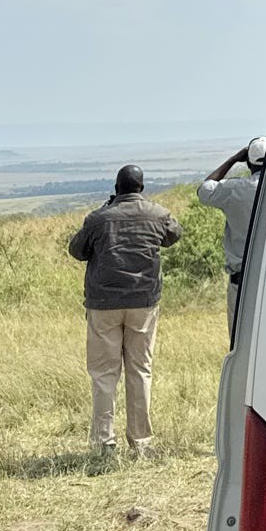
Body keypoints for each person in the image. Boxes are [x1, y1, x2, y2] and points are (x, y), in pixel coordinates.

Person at [68, 164, 182, 457]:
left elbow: (76, 250)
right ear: (141, 188)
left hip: (104, 304)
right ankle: (141, 443)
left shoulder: (99, 219)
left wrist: (107, 208)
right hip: (143, 303)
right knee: (140, 371)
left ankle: (104, 443)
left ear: (117, 189)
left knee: (105, 374)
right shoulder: (157, 214)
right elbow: (173, 236)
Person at [198, 137, 266, 330]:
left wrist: (232, 159)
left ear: (248, 162)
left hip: (241, 281)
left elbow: (204, 191)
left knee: (240, 339)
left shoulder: (235, 189)